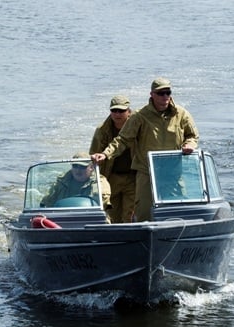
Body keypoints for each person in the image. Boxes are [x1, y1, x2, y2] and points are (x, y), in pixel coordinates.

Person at [91, 77, 199, 222]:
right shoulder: (140, 116)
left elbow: (192, 135)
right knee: (143, 213)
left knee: (180, 210)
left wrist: (190, 144)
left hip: (172, 171)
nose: (165, 96)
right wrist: (105, 154)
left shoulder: (181, 114)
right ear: (152, 95)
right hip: (146, 171)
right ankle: (142, 238)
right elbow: (123, 139)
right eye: (161, 93)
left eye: (168, 92)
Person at [89, 95, 135, 223]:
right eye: (114, 111)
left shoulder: (137, 126)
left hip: (133, 177)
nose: (117, 114)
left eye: (121, 111)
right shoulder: (102, 130)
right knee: (112, 214)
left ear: (129, 112)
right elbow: (94, 152)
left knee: (129, 216)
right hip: (112, 177)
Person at [40, 152, 111, 212]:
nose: (78, 170)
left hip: (92, 217)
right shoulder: (62, 181)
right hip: (64, 217)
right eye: (75, 166)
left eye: (82, 167)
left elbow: (103, 200)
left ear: (91, 167)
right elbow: (47, 202)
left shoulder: (99, 182)